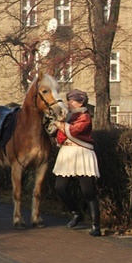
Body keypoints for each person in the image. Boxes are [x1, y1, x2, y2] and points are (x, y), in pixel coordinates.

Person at [53, 89, 102, 237]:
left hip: (82, 153)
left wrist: (60, 124)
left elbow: (74, 131)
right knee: (60, 187)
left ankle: (96, 225)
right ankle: (76, 212)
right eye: (68, 100)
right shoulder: (68, 116)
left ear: (80, 102)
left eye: (72, 101)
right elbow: (58, 134)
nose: (69, 103)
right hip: (67, 153)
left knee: (88, 191)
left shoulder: (85, 116)